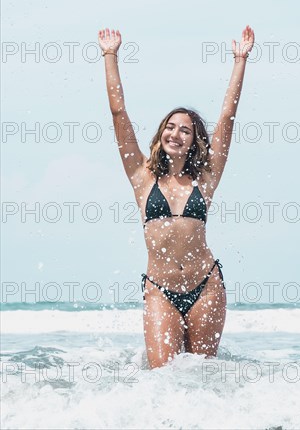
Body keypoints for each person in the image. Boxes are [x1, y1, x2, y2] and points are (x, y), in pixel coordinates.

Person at [98, 26, 255, 369]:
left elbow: (227, 118)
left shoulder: (206, 179)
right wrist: (110, 55)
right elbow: (118, 114)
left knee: (200, 376)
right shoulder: (142, 177)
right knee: (163, 378)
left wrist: (240, 60)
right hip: (160, 290)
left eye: (185, 130)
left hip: (206, 287)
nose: (176, 133)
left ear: (194, 140)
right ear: (161, 133)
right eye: (170, 126)